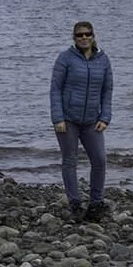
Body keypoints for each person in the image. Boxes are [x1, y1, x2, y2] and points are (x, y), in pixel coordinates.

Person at [50, 20, 113, 222]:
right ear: (74, 38)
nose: (84, 38)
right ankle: (75, 204)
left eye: (87, 34)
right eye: (79, 35)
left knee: (100, 160)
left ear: (93, 36)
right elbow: (55, 89)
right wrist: (58, 118)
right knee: (70, 161)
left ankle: (96, 203)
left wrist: (105, 117)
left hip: (92, 121)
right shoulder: (65, 59)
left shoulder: (103, 60)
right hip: (68, 120)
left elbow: (107, 90)